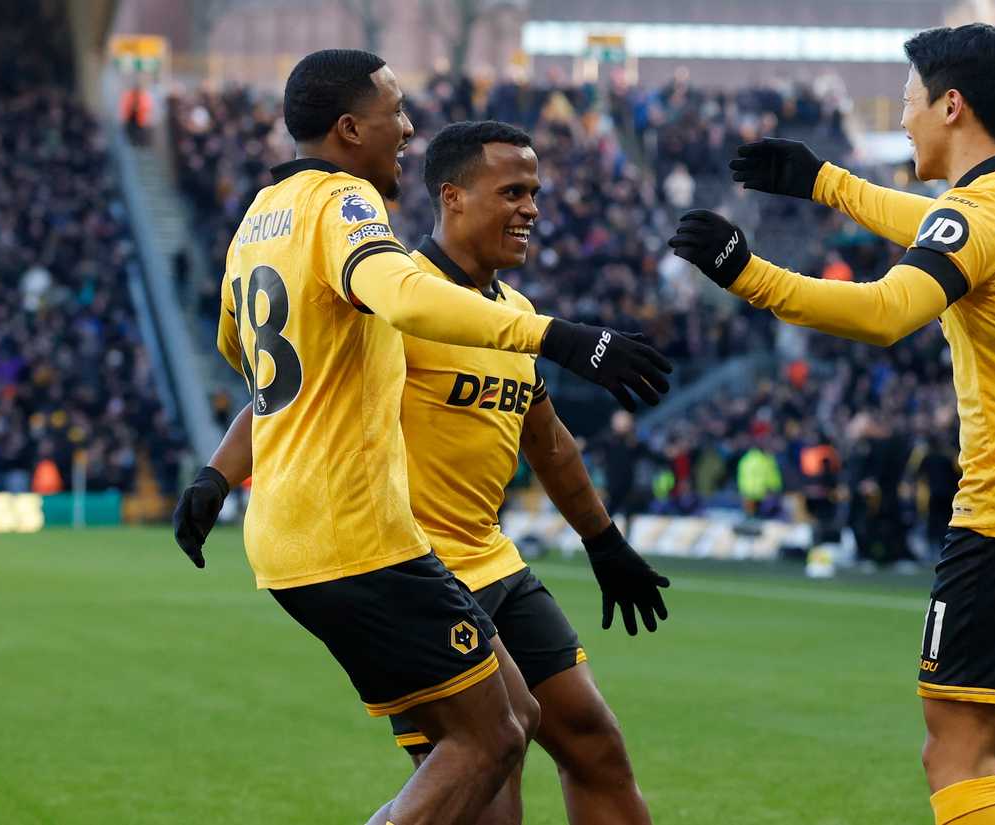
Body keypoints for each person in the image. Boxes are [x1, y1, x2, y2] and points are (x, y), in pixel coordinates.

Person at [169, 50, 671, 825]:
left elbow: (274, 380)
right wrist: (562, 337)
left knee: (568, 736)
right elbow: (390, 306)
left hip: (467, 556)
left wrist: (605, 542)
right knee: (488, 763)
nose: (406, 125)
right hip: (386, 544)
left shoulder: (254, 228)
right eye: (393, 111)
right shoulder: (361, 233)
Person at [668, 24, 995, 825]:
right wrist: (827, 183)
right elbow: (950, 227)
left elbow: (889, 310)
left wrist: (749, 274)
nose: (903, 119)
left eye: (911, 102)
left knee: (956, 751)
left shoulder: (978, 215)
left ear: (952, 105)